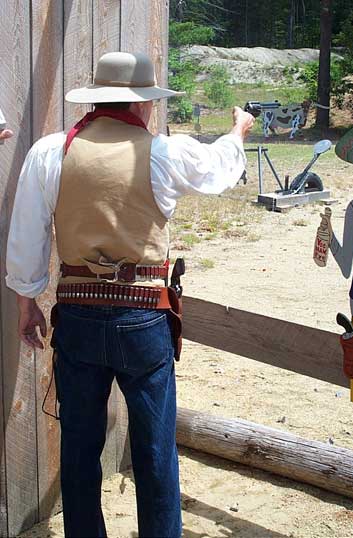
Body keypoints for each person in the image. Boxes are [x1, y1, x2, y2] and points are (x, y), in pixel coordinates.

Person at [6, 52, 254, 538]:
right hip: (143, 317)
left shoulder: (49, 151)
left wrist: (26, 300)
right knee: (155, 447)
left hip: (76, 316)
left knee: (78, 446)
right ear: (144, 104)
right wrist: (238, 132)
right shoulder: (163, 152)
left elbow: (26, 233)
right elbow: (220, 170)